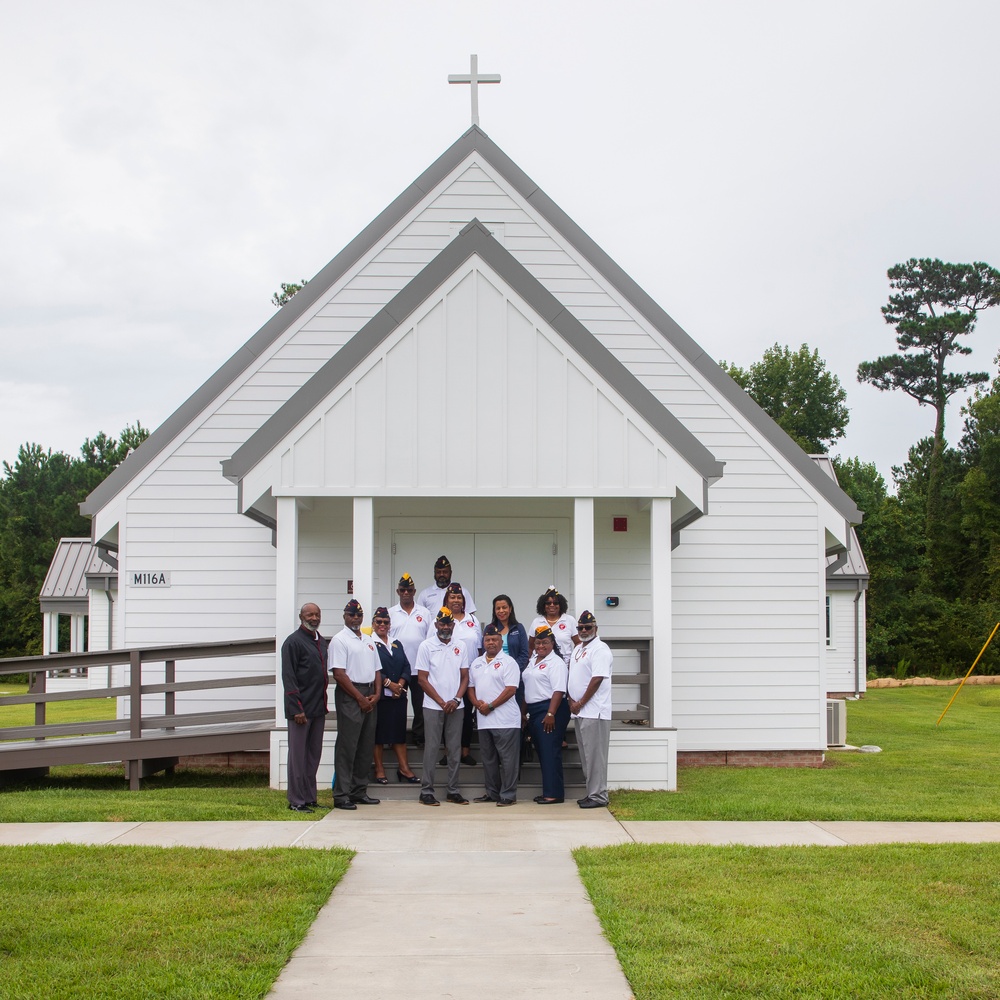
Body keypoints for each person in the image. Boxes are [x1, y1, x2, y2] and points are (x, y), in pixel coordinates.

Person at [414, 607, 470, 806]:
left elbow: (465, 676)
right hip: (433, 706)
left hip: (456, 706)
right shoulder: (426, 646)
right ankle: (426, 791)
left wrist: (455, 699)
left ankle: (453, 790)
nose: (445, 627)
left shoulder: (461, 646)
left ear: (453, 625)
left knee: (454, 749)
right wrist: (440, 701)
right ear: (436, 624)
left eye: (449, 623)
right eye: (442, 623)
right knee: (431, 748)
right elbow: (422, 679)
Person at [329, 599, 381, 810]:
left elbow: (377, 670)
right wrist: (360, 698)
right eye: (352, 615)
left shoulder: (368, 640)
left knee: (365, 746)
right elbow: (339, 674)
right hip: (351, 695)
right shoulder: (339, 640)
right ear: (344, 616)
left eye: (359, 615)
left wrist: (377, 694)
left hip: (369, 693)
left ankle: (359, 791)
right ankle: (341, 795)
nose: (356, 618)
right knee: (347, 746)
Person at [280, 602, 329, 813]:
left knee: (313, 755)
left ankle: (310, 797)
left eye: (317, 614)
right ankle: (296, 800)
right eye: (309, 614)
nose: (314, 618)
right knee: (298, 757)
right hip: (301, 710)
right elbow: (289, 678)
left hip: (318, 708)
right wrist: (296, 709)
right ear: (301, 616)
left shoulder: (322, 642)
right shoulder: (293, 642)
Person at [468, 623, 521, 806]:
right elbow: (470, 688)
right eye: (488, 639)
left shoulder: (509, 662)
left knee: (508, 761)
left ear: (501, 641)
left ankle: (508, 794)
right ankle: (492, 793)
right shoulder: (476, 663)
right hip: (484, 720)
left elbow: (511, 689)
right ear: (483, 641)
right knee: (489, 760)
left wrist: (490, 706)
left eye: (495, 640)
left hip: (505, 720)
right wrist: (477, 704)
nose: (491, 643)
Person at [567, 610, 614, 809]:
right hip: (579, 711)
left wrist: (580, 702)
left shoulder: (600, 649)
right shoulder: (579, 648)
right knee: (587, 757)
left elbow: (597, 679)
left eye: (588, 627)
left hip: (595, 711)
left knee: (596, 757)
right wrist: (571, 700)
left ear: (596, 628)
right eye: (581, 628)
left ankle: (599, 796)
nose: (584, 630)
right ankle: (591, 793)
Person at [371, 607, 419, 785]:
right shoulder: (369, 643)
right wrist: (387, 683)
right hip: (380, 696)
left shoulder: (396, 643)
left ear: (390, 625)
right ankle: (379, 769)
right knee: (379, 734)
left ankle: (404, 768)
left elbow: (407, 666)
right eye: (379, 622)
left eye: (385, 622)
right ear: (373, 624)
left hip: (398, 696)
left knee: (399, 733)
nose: (382, 625)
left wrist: (400, 684)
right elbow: (371, 667)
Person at [522, 625, 570, 804]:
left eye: (545, 642)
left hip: (551, 709)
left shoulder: (555, 662)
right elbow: (529, 688)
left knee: (550, 751)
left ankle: (554, 794)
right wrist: (523, 713)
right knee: (543, 751)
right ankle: (548, 791)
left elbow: (558, 690)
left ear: (552, 643)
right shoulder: (533, 659)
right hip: (535, 710)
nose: (541, 646)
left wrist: (551, 713)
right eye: (538, 642)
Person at [388, 572, 432, 746]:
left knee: (420, 705)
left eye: (409, 590)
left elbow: (430, 640)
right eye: (402, 590)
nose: (406, 592)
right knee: (397, 705)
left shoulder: (425, 612)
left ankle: (418, 737)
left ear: (414, 591)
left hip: (419, 667)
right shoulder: (391, 613)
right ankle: (394, 738)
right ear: (398, 591)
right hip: (398, 669)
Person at [444, 583, 481, 766]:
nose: (456, 600)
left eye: (459, 597)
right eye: (452, 597)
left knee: (466, 713)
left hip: (470, 674)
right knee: (448, 713)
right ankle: (448, 751)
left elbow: (480, 648)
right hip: (448, 674)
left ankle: (465, 751)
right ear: (447, 600)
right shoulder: (442, 619)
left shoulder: (472, 620)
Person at [527, 586, 579, 664]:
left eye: (555, 603)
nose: (552, 605)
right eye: (548, 603)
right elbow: (530, 646)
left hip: (564, 664)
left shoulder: (569, 620)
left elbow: (578, 643)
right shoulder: (536, 622)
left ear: (561, 605)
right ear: (543, 606)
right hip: (540, 665)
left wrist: (573, 661)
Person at [491, 594, 529, 670]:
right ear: (494, 611)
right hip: (494, 671)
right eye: (498, 608)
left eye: (504, 607)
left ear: (510, 609)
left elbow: (524, 654)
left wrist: (512, 668)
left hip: (515, 671)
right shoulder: (490, 628)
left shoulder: (519, 628)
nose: (501, 611)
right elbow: (486, 652)